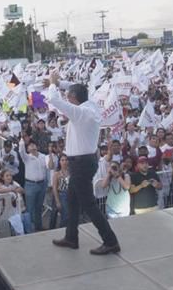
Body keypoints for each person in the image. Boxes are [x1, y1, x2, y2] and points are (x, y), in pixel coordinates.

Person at [44, 71, 120, 255]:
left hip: (80, 164)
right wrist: (60, 83)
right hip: (82, 161)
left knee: (88, 205)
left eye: (69, 97)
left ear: (74, 99)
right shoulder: (90, 105)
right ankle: (71, 237)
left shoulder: (80, 113)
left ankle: (110, 241)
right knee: (72, 200)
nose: (67, 99)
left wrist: (53, 84)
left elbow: (54, 99)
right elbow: (78, 86)